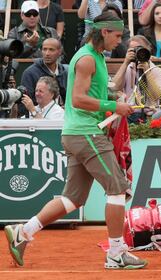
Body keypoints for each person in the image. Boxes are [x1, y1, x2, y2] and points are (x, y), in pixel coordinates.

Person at [4, 11, 147, 269]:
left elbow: (103, 89)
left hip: (77, 134)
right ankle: (116, 253)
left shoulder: (97, 57)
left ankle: (23, 232)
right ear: (104, 31)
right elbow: (78, 99)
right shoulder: (86, 60)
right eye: (117, 35)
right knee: (116, 187)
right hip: (86, 133)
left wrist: (117, 100)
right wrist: (112, 106)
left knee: (73, 199)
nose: (120, 41)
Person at [20, 38, 67, 117]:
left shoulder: (65, 71)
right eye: (44, 49)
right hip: (37, 119)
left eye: (51, 50)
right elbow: (25, 104)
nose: (47, 53)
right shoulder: (30, 73)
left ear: (59, 52)